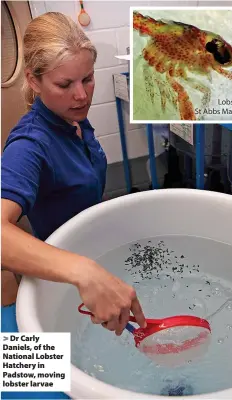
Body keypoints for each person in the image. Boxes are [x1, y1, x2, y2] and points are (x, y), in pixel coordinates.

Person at [1, 12, 146, 336]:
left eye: (88, 78)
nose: (82, 95)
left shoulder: (73, 120)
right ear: (34, 81)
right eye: (65, 84)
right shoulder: (30, 145)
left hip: (92, 256)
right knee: (28, 374)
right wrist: (84, 272)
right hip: (65, 281)